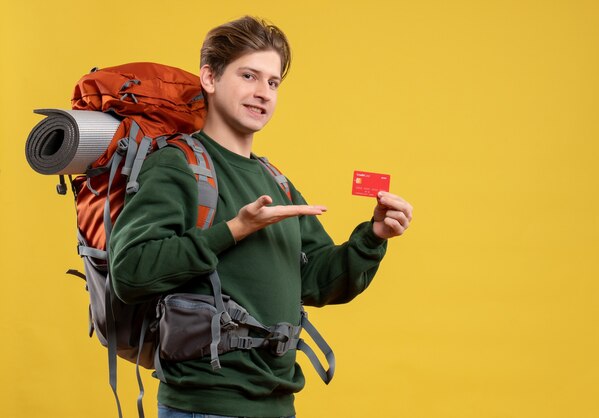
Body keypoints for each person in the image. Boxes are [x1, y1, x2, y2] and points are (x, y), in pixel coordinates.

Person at [109, 15, 413, 418]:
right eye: (249, 76)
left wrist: (372, 237)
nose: (263, 93)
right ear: (210, 78)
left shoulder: (276, 180)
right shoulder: (176, 165)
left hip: (277, 405)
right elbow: (129, 272)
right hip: (205, 407)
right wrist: (234, 230)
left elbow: (320, 282)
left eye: (273, 83)